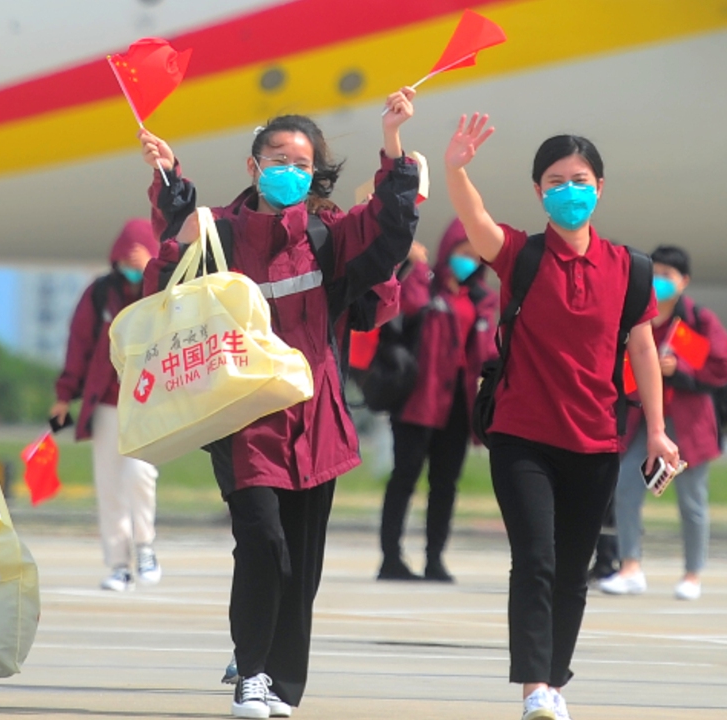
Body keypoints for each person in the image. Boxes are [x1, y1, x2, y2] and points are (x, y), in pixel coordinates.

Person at [138, 87, 420, 719]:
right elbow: (168, 287)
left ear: (314, 173)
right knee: (262, 541)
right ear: (253, 165)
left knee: (303, 561)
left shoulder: (329, 237)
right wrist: (173, 201)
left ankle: (282, 683)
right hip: (243, 421)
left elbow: (390, 236)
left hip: (316, 419)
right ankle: (253, 674)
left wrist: (394, 145)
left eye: (301, 164)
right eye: (277, 159)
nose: (289, 172)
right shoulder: (221, 231)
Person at [443, 114, 680, 720]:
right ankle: (534, 689)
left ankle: (555, 677)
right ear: (538, 191)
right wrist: (455, 168)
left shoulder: (631, 268)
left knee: (574, 570)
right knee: (537, 560)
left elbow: (643, 348)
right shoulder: (521, 254)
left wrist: (655, 429)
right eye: (555, 180)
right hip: (522, 437)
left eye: (580, 179)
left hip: (597, 439)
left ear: (599, 187)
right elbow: (475, 222)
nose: (569, 189)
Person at [600, 245, 727, 601]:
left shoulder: (697, 321)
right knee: (626, 486)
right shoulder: (636, 316)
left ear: (684, 281)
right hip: (643, 417)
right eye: (653, 273)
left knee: (691, 500)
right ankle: (630, 566)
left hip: (687, 422)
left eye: (667, 275)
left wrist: (681, 370)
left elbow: (722, 367)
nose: (658, 282)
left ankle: (692, 574)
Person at [377, 219, 497, 582]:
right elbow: (408, 303)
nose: (469, 260)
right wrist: (416, 264)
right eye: (462, 252)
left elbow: (488, 350)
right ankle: (391, 558)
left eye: (475, 254)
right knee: (405, 479)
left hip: (457, 407)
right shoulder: (426, 286)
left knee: (445, 485)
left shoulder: (480, 298)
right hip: (417, 401)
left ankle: (434, 558)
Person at [50, 220, 162, 592]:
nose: (132, 264)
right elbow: (78, 344)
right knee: (110, 485)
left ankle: (145, 547)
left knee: (139, 475)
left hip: (146, 402)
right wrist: (64, 395)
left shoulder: (161, 291)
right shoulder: (99, 294)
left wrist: (152, 272)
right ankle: (119, 564)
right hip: (106, 405)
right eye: (127, 258)